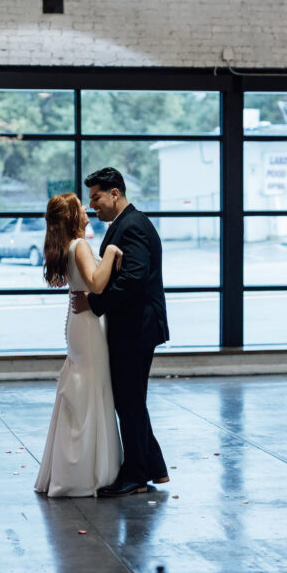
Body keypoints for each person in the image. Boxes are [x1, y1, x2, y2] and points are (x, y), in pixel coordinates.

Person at [71, 167, 170, 497]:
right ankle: (153, 466)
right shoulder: (124, 225)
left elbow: (133, 279)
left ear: (116, 194)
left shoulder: (133, 227)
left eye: (96, 197)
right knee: (131, 399)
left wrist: (94, 304)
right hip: (132, 326)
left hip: (137, 327)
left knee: (128, 401)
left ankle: (137, 476)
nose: (92, 206)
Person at [34, 193, 124, 498]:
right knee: (93, 389)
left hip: (78, 324)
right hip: (88, 328)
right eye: (79, 206)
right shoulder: (81, 245)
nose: (85, 209)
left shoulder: (71, 246)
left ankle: (77, 468)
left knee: (83, 388)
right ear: (73, 215)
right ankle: (90, 472)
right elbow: (97, 284)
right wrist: (111, 251)